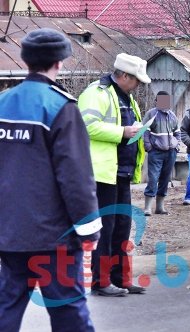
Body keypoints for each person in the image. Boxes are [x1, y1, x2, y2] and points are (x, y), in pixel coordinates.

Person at [0, 28, 101, 331]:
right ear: (59, 62)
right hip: (53, 236)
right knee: (68, 309)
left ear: (26, 60)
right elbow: (76, 178)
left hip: (9, 232)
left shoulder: (3, 102)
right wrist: (89, 229)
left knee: (7, 304)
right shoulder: (61, 107)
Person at [78, 53, 149, 296]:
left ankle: (121, 279)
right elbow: (86, 125)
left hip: (123, 172)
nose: (139, 85)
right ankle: (101, 281)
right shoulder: (96, 93)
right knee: (106, 228)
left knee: (122, 227)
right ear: (125, 76)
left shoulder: (128, 98)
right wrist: (123, 132)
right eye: (137, 80)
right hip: (103, 174)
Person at [143, 91, 181, 216]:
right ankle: (147, 207)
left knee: (165, 179)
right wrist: (148, 146)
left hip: (170, 152)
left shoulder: (172, 115)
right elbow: (145, 131)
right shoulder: (151, 114)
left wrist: (177, 146)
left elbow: (177, 132)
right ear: (157, 101)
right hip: (156, 152)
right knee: (153, 179)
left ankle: (160, 207)